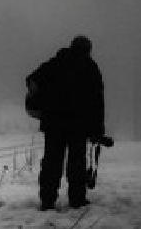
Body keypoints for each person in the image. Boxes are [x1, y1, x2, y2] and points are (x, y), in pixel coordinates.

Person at [26, 35, 105, 210]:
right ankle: (77, 200)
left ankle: (47, 200)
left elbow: (32, 80)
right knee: (77, 163)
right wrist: (97, 129)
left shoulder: (56, 63)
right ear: (87, 49)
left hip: (54, 124)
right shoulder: (90, 68)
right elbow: (97, 102)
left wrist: (41, 106)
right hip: (78, 126)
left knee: (51, 163)